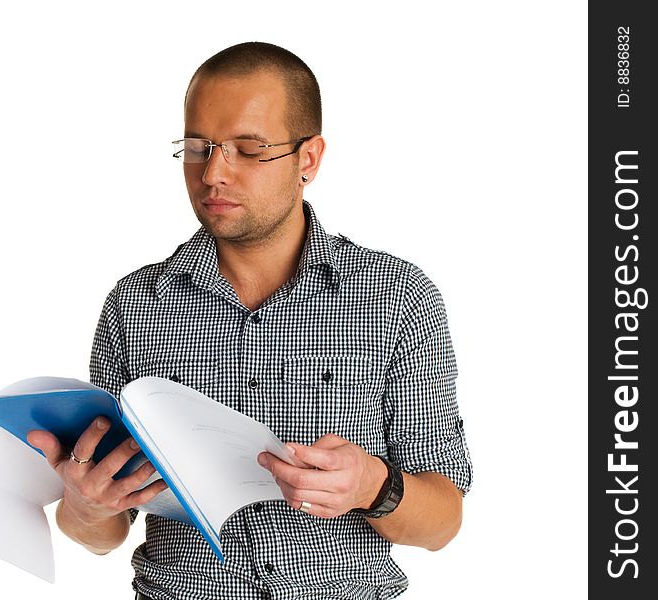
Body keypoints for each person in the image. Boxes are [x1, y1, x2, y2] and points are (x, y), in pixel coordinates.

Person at [27, 41, 473, 599]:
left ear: (308, 159)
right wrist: (84, 507)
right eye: (199, 147)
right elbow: (104, 531)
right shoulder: (134, 304)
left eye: (248, 148)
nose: (214, 172)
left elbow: (444, 522)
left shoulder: (398, 298)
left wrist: (370, 485)